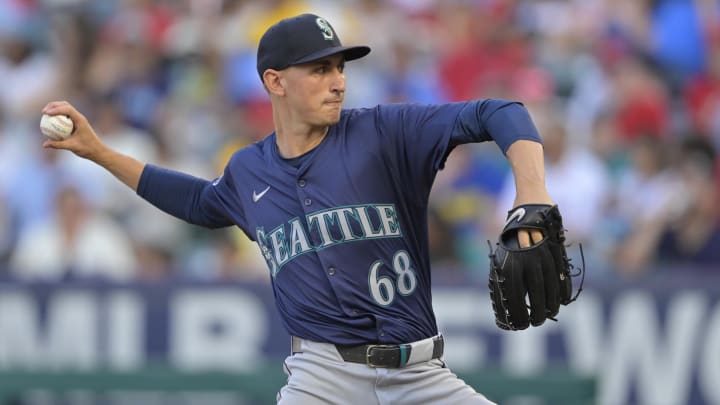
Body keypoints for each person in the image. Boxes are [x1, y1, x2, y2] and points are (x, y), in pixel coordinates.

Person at [42, 13, 557, 405]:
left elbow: (499, 112)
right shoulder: (249, 171)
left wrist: (531, 193)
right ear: (275, 81)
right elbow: (200, 202)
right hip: (323, 379)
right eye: (319, 69)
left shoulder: (383, 132)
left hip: (420, 375)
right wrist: (100, 152)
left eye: (339, 67)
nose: (338, 80)